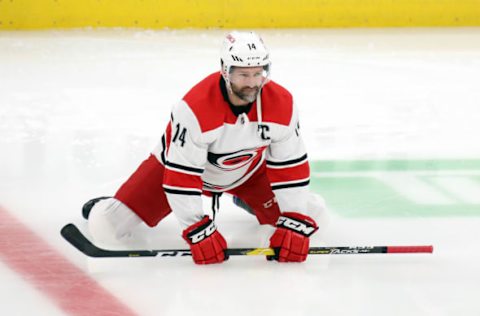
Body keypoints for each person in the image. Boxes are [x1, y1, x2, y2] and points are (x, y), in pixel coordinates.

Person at [84, 31, 326, 264]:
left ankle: (248, 200)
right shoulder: (194, 108)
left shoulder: (282, 103)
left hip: (248, 174)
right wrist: (196, 228)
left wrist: (293, 218)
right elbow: (181, 176)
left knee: (315, 217)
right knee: (105, 228)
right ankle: (107, 205)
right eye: (243, 75)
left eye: (258, 73)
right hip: (173, 171)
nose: (252, 83)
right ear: (225, 70)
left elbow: (290, 166)